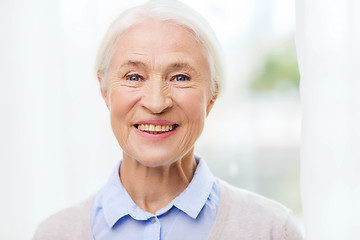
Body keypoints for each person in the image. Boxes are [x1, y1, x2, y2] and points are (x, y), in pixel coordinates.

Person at [33, 0, 303, 239]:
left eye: (180, 78)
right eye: (134, 77)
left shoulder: (271, 230)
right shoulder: (55, 234)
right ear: (105, 91)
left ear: (212, 95)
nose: (156, 102)